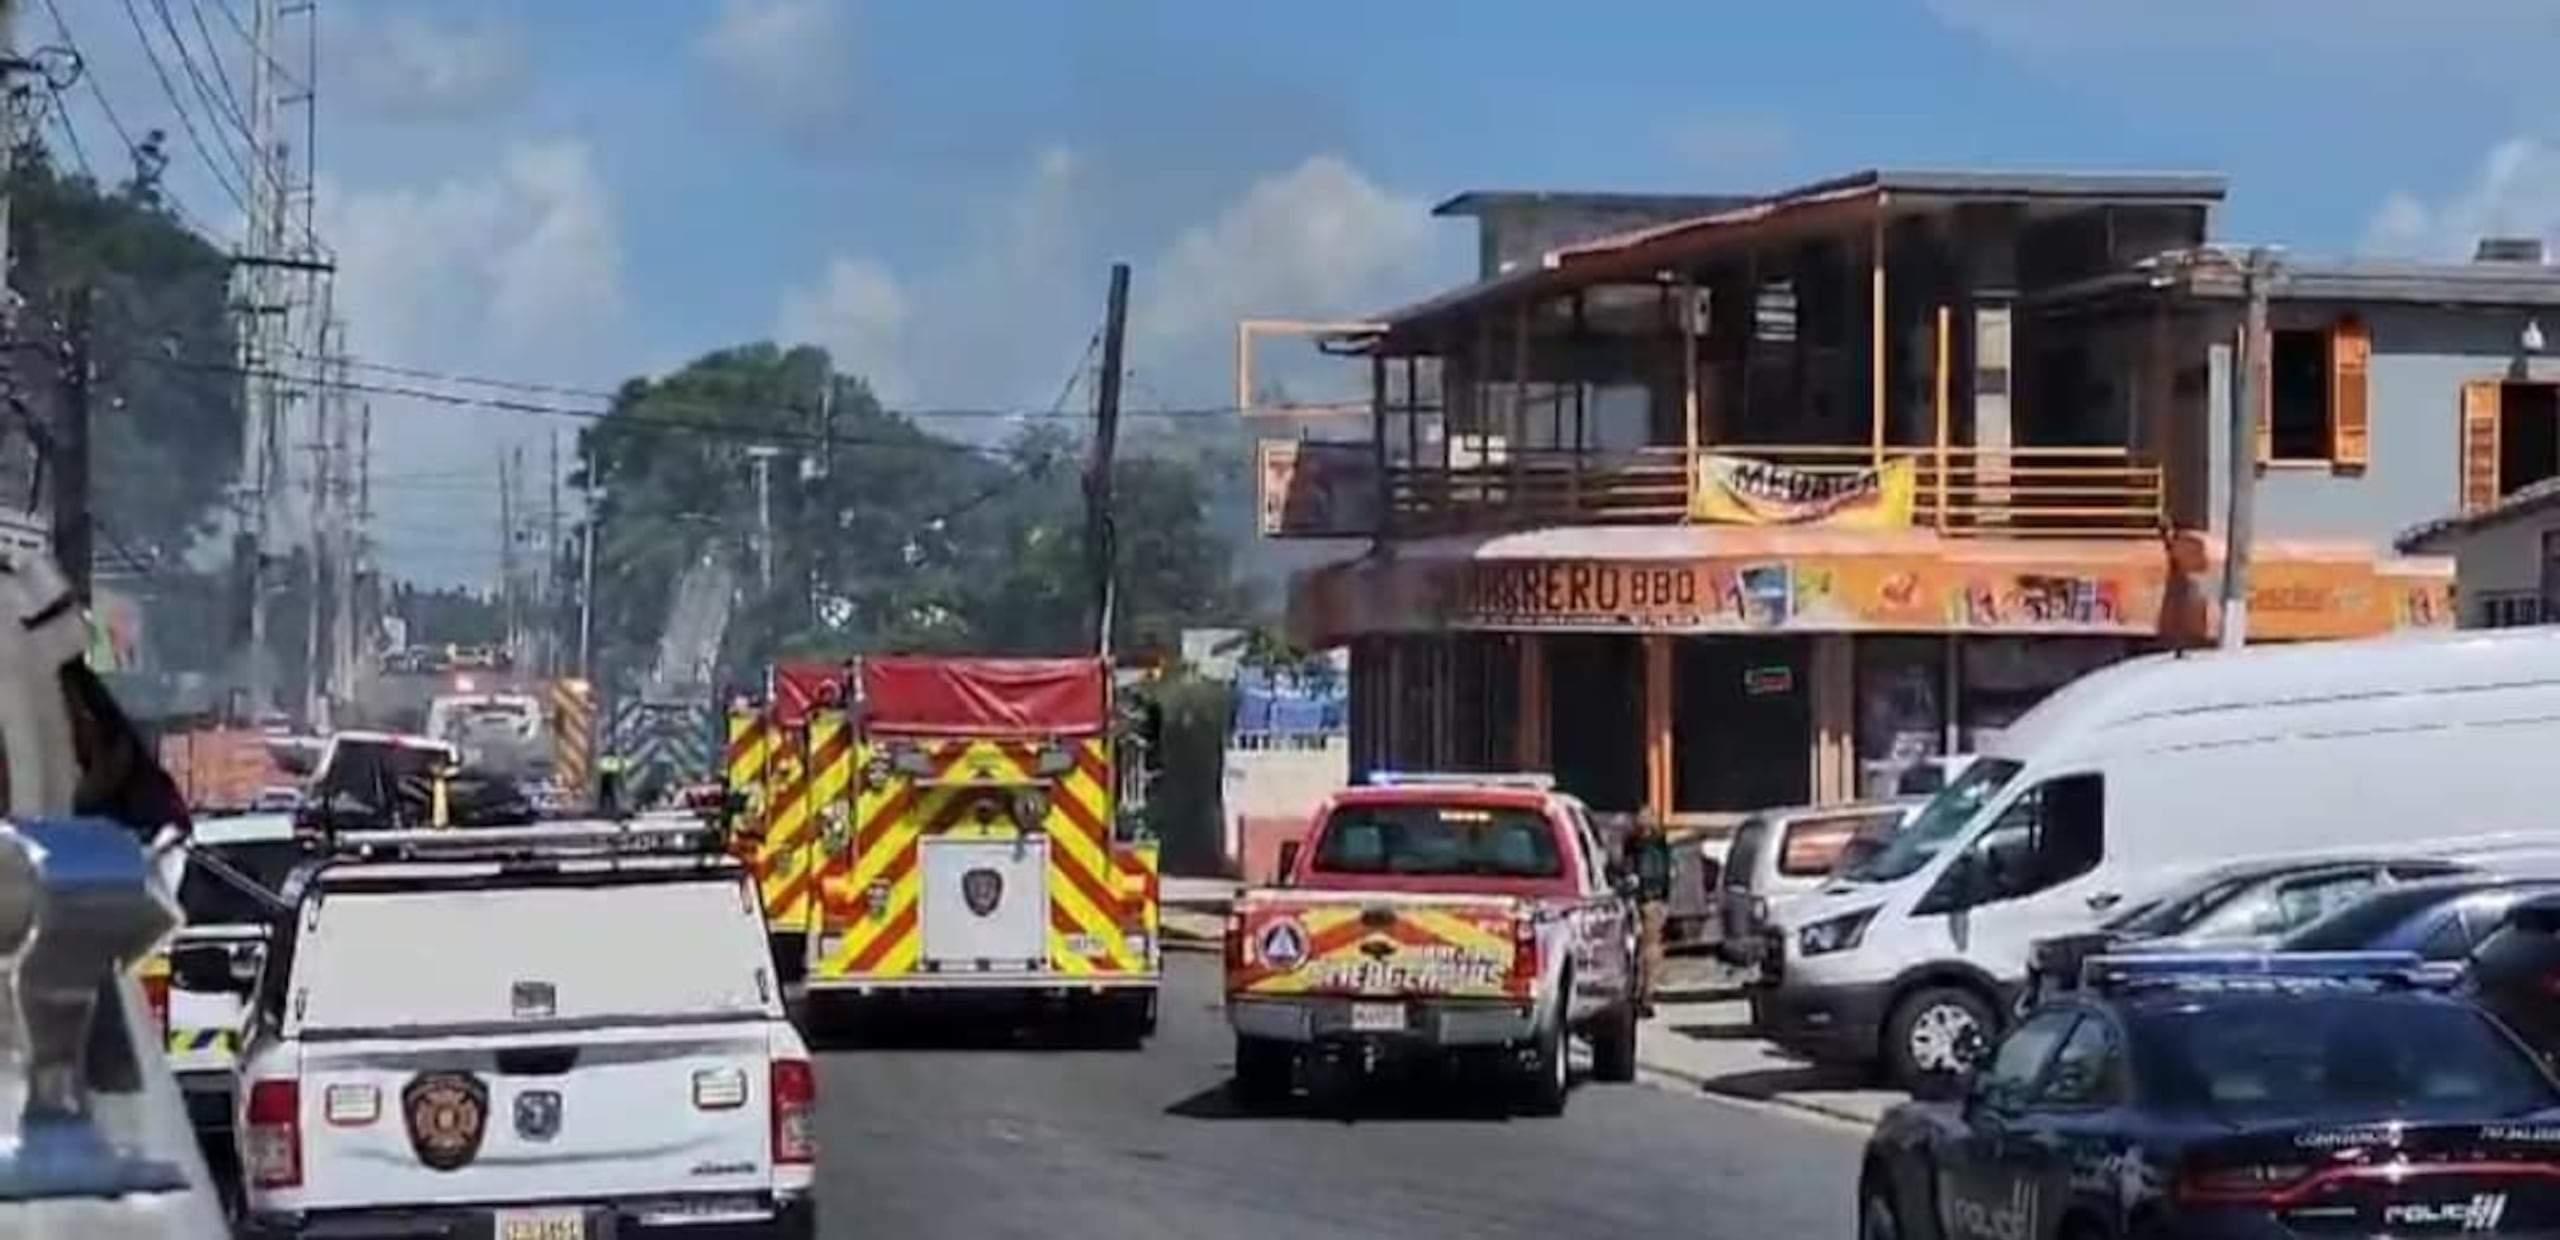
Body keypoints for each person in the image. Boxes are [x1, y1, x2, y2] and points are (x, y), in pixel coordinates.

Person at [1623, 809, 1674, 1016]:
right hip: (1654, 898)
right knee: (1649, 946)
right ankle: (1645, 993)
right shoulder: (1660, 844)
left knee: (1644, 947)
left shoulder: (1640, 845)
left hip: (1645, 898)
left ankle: (1643, 993)